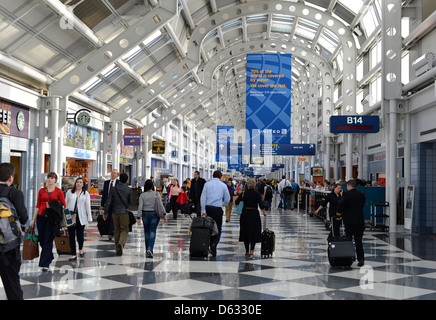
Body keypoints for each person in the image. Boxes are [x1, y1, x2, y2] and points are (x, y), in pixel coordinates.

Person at [0, 163, 28, 300]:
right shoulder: (15, 193)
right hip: (9, 246)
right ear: (11, 178)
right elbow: (23, 218)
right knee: (12, 284)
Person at [31, 172, 66, 272]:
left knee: (47, 239)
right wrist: (33, 220)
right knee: (41, 239)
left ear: (55, 180)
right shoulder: (41, 191)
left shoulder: (59, 191)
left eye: (52, 178)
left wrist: (67, 220)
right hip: (41, 216)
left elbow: (63, 205)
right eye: (48, 178)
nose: (50, 180)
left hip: (52, 219)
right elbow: (37, 206)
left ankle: (45, 263)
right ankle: (49, 256)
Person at [336, 179, 366, 267]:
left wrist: (338, 215)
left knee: (348, 239)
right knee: (358, 240)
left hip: (349, 221)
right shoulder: (362, 195)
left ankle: (348, 258)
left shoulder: (346, 194)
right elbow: (362, 206)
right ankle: (361, 259)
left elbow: (341, 205)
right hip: (359, 220)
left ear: (349, 186)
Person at [200, 170, 230, 257]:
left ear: (213, 176)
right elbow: (227, 198)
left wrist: (203, 210)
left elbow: (203, 198)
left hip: (208, 208)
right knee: (218, 228)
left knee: (208, 228)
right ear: (220, 177)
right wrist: (224, 204)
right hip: (217, 209)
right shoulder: (223, 185)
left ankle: (209, 244)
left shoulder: (207, 184)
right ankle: (214, 244)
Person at [235, 178, 267, 259]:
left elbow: (236, 202)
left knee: (245, 232)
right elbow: (261, 204)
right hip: (254, 214)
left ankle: (246, 251)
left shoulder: (243, 193)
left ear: (247, 185)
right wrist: (264, 212)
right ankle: (252, 250)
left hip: (245, 214)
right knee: (254, 232)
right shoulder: (257, 194)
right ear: (255, 185)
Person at [103, 173, 132, 256]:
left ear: (119, 180)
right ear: (126, 180)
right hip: (124, 212)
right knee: (125, 229)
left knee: (117, 230)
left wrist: (105, 212)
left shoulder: (113, 189)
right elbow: (131, 201)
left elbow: (108, 202)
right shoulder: (128, 190)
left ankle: (117, 249)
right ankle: (121, 243)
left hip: (114, 212)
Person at [65, 177, 93, 261]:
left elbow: (88, 206)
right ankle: (73, 254)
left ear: (83, 184)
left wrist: (89, 217)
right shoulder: (69, 192)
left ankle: (80, 249)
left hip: (81, 216)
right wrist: (65, 217)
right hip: (70, 216)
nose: (78, 184)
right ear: (75, 183)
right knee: (71, 236)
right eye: (77, 182)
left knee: (80, 236)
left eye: (81, 182)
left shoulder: (85, 193)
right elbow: (65, 204)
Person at [137, 179, 167, 258]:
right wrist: (164, 214)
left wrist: (138, 217)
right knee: (152, 231)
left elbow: (140, 207)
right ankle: (150, 249)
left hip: (145, 214)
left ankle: (148, 250)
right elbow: (160, 205)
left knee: (146, 232)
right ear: (152, 186)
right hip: (154, 214)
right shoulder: (156, 194)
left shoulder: (142, 195)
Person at [100, 169, 119, 240]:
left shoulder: (118, 183)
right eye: (112, 173)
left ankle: (111, 232)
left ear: (117, 175)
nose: (113, 174)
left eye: (115, 173)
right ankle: (108, 231)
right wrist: (102, 204)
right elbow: (104, 194)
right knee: (107, 217)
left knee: (112, 218)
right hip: (107, 203)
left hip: (115, 204)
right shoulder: (106, 183)